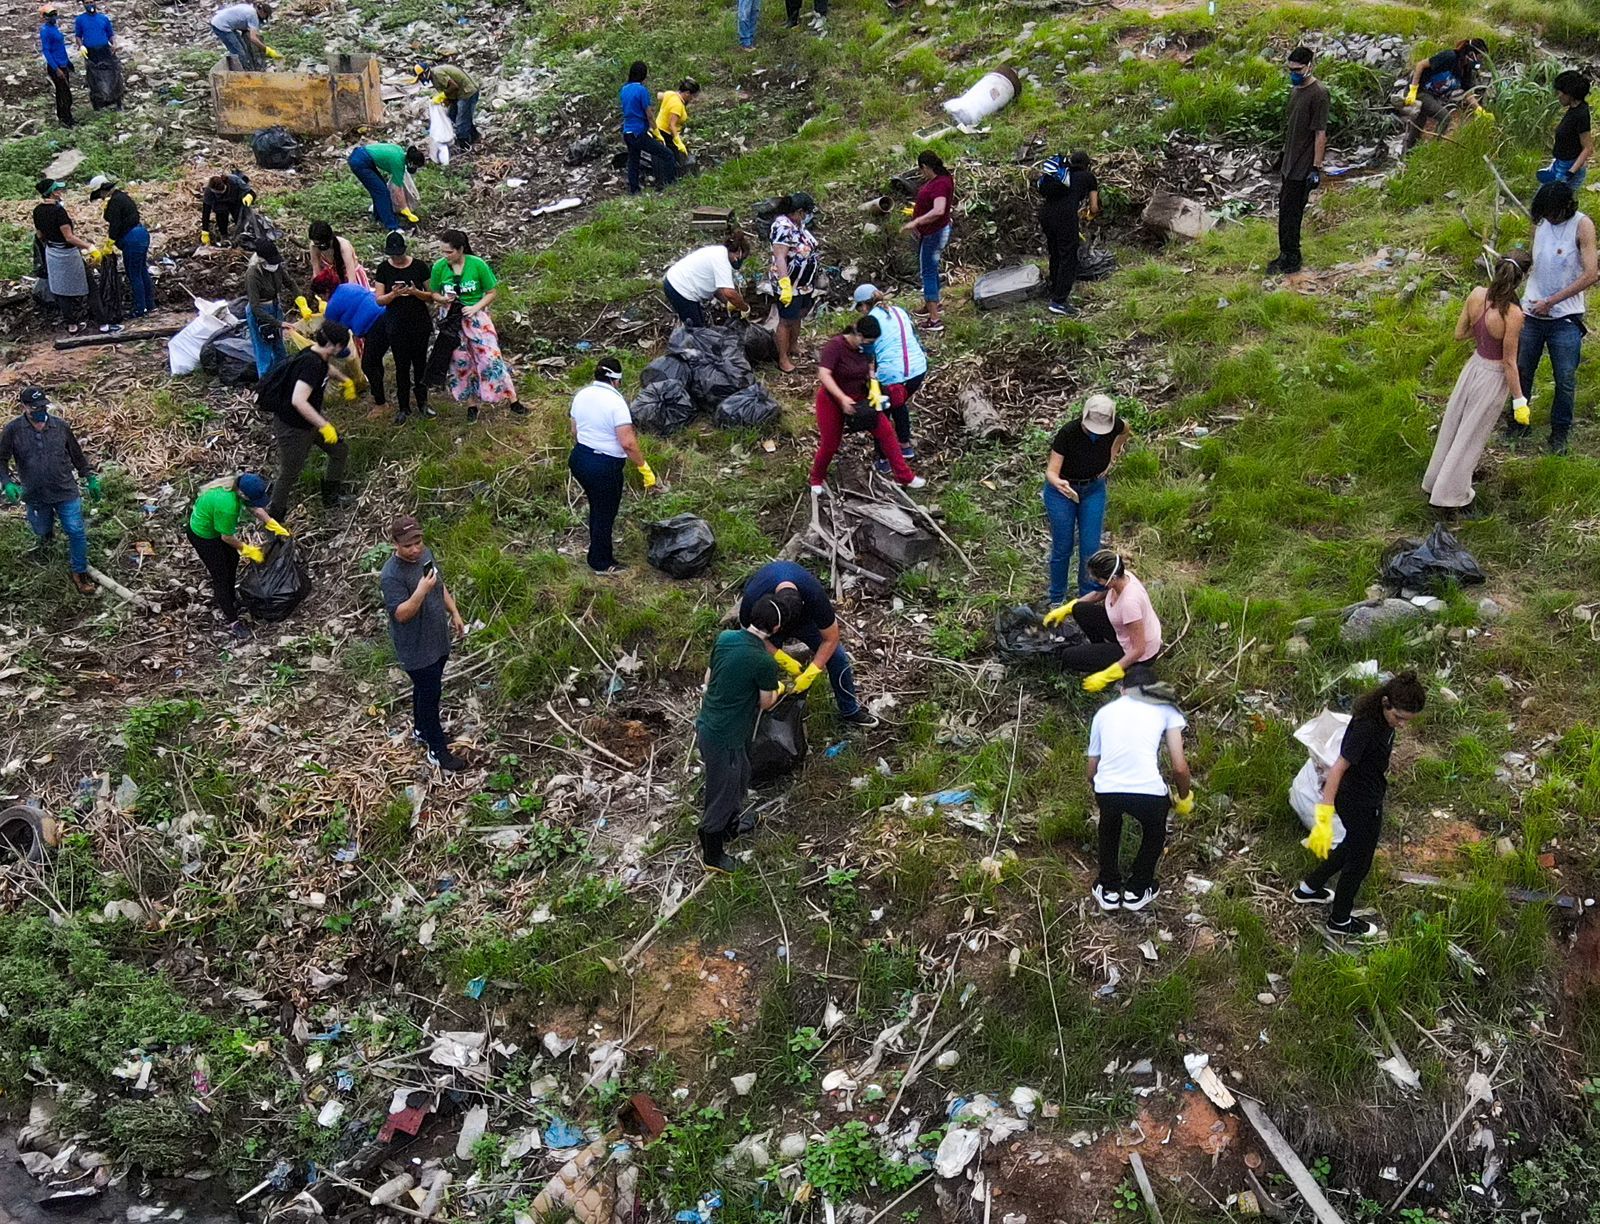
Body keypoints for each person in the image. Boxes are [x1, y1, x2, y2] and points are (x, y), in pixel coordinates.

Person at [1293, 671, 1427, 939]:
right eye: (1398, 717)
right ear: (1386, 702)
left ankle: (1308, 889)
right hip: (1360, 802)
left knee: (1350, 845)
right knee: (1360, 862)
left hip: (1364, 793)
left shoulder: (1382, 718)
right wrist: (1324, 815)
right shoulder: (1368, 726)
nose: (1401, 724)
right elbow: (1338, 768)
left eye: (1406, 720)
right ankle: (1340, 919)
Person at [1423, 252, 1528, 512]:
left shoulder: (1476, 294)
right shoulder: (1513, 314)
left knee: (1453, 424)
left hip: (1473, 367)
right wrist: (1519, 400)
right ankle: (1451, 495)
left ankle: (1434, 480)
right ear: (1520, 280)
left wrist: (1482, 333)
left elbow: (1459, 334)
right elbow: (1508, 362)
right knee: (1471, 435)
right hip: (1491, 378)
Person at [1085, 664, 1194, 912]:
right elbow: (1179, 767)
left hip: (1108, 789)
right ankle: (1138, 888)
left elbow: (1092, 766)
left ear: (1123, 690)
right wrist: (1184, 796)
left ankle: (1109, 887)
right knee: (1154, 831)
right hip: (1148, 792)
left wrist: (1099, 788)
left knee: (1109, 826)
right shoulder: (1166, 709)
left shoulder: (1104, 712)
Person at [695, 597, 787, 872]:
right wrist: (778, 687)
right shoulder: (763, 660)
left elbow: (709, 680)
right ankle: (712, 850)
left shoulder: (725, 638)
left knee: (742, 773)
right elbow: (766, 702)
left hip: (710, 724)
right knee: (722, 791)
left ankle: (731, 825)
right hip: (726, 736)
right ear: (777, 627)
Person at [739, 559, 880, 728]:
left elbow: (832, 637)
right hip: (768, 622)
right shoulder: (754, 597)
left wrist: (812, 671)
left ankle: (850, 711)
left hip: (804, 621)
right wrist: (780, 657)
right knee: (759, 661)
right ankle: (762, 707)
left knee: (838, 658)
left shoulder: (814, 595)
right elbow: (750, 637)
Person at [1513, 182, 1595, 454]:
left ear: (1564, 208)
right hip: (1532, 311)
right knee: (1522, 371)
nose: (1548, 219)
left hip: (1564, 317)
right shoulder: (1541, 223)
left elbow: (1591, 274)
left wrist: (1553, 301)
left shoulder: (1582, 226)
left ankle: (1559, 433)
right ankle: (1518, 423)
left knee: (1565, 377)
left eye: (1551, 214)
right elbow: (1535, 260)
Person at [382, 514, 469, 772]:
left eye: (418, 541)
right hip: (415, 647)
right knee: (431, 695)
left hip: (437, 638)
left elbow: (439, 585)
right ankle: (437, 751)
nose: (415, 548)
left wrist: (454, 612)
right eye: (408, 545)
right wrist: (420, 590)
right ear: (395, 543)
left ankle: (422, 730)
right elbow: (401, 614)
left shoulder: (425, 555)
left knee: (425, 690)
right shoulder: (391, 575)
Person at [1, 387, 99, 596]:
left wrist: (89, 476)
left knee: (75, 530)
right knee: (41, 529)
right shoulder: (13, 430)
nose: (41, 411)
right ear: (24, 407)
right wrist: (7, 482)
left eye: (44, 407)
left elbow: (77, 455)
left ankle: (79, 572)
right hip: (35, 494)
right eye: (35, 408)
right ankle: (47, 537)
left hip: (64, 489)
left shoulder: (60, 427)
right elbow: (1, 459)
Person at [808, 318, 924, 491]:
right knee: (830, 443)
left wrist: (874, 384)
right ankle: (816, 478)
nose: (871, 346)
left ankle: (904, 476)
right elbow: (824, 374)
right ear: (859, 335)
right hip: (832, 400)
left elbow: (869, 369)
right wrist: (841, 398)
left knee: (887, 433)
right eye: (869, 342)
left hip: (861, 399)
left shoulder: (865, 350)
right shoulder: (836, 346)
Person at [568, 357, 658, 574]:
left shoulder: (582, 395)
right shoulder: (616, 403)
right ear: (616, 380)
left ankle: (598, 551)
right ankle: (601, 562)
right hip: (603, 466)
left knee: (597, 507)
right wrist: (644, 468)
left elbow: (574, 431)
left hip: (579, 458)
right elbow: (627, 443)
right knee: (604, 513)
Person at [428, 230, 527, 423]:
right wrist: (443, 299)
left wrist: (475, 307)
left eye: (449, 252)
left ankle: (511, 398)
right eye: (443, 252)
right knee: (461, 362)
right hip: (452, 319)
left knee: (491, 359)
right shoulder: (439, 268)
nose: (445, 256)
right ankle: (471, 404)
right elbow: (434, 293)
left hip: (475, 317)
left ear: (460, 250)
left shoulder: (477, 265)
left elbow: (491, 292)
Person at [1044, 394, 1130, 606]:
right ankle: (1057, 597)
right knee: (1063, 546)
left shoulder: (1115, 426)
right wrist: (1059, 483)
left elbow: (1124, 431)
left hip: (1093, 489)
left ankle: (1087, 597)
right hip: (1063, 491)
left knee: (1091, 547)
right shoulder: (1068, 433)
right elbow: (1051, 472)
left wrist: (1112, 455)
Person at [265, 321, 351, 523]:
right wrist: (324, 425)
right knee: (290, 472)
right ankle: (274, 518)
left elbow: (325, 368)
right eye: (342, 346)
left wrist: (344, 380)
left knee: (340, 450)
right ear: (335, 346)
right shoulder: (310, 365)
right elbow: (298, 401)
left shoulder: (315, 354)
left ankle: (331, 498)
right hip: (293, 427)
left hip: (310, 421)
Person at [1043, 549, 1162, 692]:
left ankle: (1121, 667)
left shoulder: (1130, 603)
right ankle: (1101, 652)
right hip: (1124, 633)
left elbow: (1138, 649)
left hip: (1139, 654)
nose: (1095, 582)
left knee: (1069, 656)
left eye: (1098, 579)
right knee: (1080, 609)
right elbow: (1098, 594)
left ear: (1112, 579)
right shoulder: (1123, 577)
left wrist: (1108, 675)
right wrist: (1068, 608)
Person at [187, 472, 287, 637]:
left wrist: (272, 523)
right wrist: (248, 550)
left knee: (232, 559)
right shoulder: (228, 505)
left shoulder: (235, 487)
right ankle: (232, 620)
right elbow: (226, 537)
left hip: (214, 530)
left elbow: (255, 508)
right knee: (221, 575)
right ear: (242, 494)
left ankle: (231, 597)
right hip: (203, 536)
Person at [851, 284, 927, 468]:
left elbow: (867, 354)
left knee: (880, 414)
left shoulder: (870, 320)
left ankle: (883, 458)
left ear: (863, 306)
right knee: (898, 403)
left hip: (891, 375)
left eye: (858, 307)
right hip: (917, 371)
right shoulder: (899, 311)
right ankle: (905, 446)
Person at [1267, 46, 1327, 277]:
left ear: (1310, 66)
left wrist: (1315, 167)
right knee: (1284, 211)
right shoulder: (1296, 90)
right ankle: (1285, 253)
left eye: (1297, 69)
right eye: (1290, 69)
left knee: (1292, 213)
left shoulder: (1318, 93)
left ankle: (1292, 258)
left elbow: (1320, 133)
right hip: (1289, 162)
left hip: (1302, 166)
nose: (1293, 73)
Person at [370, 233, 434, 423]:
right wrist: (394, 294)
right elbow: (379, 300)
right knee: (402, 367)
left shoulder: (419, 266)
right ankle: (403, 406)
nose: (397, 259)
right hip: (396, 325)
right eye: (393, 255)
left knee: (421, 365)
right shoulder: (383, 269)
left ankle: (423, 402)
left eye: (399, 255)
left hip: (419, 323)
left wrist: (415, 292)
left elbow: (431, 295)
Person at [1036, 151, 1098, 315]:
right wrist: (1088, 215)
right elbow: (1094, 207)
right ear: (1087, 164)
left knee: (1055, 252)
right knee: (1068, 256)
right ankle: (1059, 302)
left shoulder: (1063, 174)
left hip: (1046, 214)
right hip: (1065, 216)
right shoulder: (1088, 177)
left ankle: (1054, 289)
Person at [1402, 38, 1489, 151]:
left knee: (1418, 126)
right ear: (1472, 54)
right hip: (1419, 91)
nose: (1480, 61)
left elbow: (1468, 93)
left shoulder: (1465, 70)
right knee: (1445, 117)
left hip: (1431, 96)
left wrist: (1479, 110)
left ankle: (1407, 155)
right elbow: (1420, 65)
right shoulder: (1450, 57)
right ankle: (1433, 149)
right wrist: (1413, 90)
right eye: (1480, 57)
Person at [33, 180, 94, 335]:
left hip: (52, 252)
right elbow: (69, 237)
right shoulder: (59, 212)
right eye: (58, 190)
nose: (61, 192)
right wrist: (88, 247)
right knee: (82, 284)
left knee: (60, 288)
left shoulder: (37, 211)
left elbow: (40, 234)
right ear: (53, 192)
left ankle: (70, 323)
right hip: (67, 253)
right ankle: (83, 317)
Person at [902, 151, 954, 332]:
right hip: (933, 232)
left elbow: (939, 210)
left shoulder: (939, 184)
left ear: (924, 167)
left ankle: (934, 319)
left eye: (921, 169)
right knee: (930, 270)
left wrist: (916, 221)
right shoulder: (943, 178)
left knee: (928, 273)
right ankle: (932, 304)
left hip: (934, 234)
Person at [88, 175, 153, 319]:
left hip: (132, 239)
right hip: (141, 234)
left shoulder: (115, 202)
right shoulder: (122, 197)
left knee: (134, 274)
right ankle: (149, 304)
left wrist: (110, 243)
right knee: (141, 270)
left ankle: (140, 308)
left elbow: (115, 225)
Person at [769, 192, 819, 373]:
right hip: (789, 283)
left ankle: (793, 345)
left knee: (799, 314)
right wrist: (785, 285)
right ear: (798, 211)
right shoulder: (782, 226)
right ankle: (782, 358)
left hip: (803, 283)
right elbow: (780, 256)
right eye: (805, 212)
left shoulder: (799, 224)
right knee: (786, 319)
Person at [663, 232, 751, 327]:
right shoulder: (722, 260)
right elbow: (729, 292)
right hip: (680, 289)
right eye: (742, 257)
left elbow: (715, 286)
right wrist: (744, 308)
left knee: (698, 324)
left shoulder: (719, 252)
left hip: (676, 282)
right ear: (738, 252)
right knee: (696, 330)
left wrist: (727, 302)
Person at [620, 61, 676, 195]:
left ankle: (634, 190)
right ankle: (670, 186)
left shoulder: (624, 89)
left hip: (627, 132)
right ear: (643, 75)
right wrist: (656, 132)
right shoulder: (641, 90)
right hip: (639, 132)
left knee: (633, 160)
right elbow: (649, 114)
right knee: (667, 155)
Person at [242, 239, 295, 377]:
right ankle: (265, 385)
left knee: (279, 348)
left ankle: (282, 379)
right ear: (262, 261)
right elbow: (255, 307)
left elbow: (290, 283)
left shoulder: (276, 268)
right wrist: (279, 323)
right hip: (260, 314)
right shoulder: (253, 275)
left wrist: (301, 300)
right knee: (263, 350)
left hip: (275, 308)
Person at [347, 142, 424, 234]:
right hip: (360, 162)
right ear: (411, 163)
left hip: (362, 155)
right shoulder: (398, 163)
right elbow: (397, 190)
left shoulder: (399, 151)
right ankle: (392, 227)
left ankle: (378, 216)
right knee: (382, 193)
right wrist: (405, 209)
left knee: (380, 189)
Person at [1542, 71, 1593, 191]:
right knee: (1542, 200)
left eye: (1560, 93)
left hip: (1568, 168)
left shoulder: (1581, 115)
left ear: (1569, 94)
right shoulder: (1573, 109)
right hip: (1559, 163)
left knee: (1554, 204)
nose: (1558, 96)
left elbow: (1588, 148)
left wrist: (1570, 173)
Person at [418, 62, 481, 149]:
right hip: (458, 94)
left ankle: (464, 145)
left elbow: (454, 86)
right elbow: (447, 89)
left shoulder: (437, 73)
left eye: (421, 76)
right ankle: (474, 136)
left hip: (467, 92)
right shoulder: (433, 78)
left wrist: (442, 96)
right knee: (452, 115)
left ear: (425, 73)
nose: (421, 79)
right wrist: (446, 100)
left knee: (461, 121)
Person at [210, 0, 276, 71]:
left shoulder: (250, 9)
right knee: (239, 52)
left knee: (244, 48)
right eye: (266, 15)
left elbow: (238, 20)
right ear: (263, 12)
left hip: (224, 23)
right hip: (221, 26)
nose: (265, 17)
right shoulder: (253, 16)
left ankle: (248, 69)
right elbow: (253, 38)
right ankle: (245, 74)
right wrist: (266, 49)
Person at [308, 220, 368, 297]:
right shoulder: (314, 246)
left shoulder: (343, 246)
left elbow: (352, 279)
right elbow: (316, 271)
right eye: (317, 244)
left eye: (323, 243)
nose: (321, 246)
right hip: (333, 280)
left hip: (352, 279)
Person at [655, 78, 700, 176]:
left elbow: (659, 95)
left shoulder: (671, 94)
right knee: (673, 157)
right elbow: (672, 125)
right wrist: (677, 141)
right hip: (665, 133)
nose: (693, 99)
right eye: (693, 96)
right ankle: (671, 179)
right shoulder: (677, 105)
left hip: (657, 129)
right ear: (687, 93)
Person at [38, 6, 74, 127]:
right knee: (64, 94)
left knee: (64, 92)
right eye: (50, 15)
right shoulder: (45, 31)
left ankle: (67, 117)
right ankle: (65, 119)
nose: (53, 17)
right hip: (56, 67)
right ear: (44, 17)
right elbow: (47, 51)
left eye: (54, 14)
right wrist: (56, 68)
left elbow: (60, 48)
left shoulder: (55, 28)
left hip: (62, 63)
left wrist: (68, 62)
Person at [200, 172, 251, 245]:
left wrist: (249, 197)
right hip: (220, 205)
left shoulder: (234, 180)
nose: (220, 194)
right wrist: (205, 231)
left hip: (235, 200)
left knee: (239, 216)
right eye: (218, 193)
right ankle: (224, 235)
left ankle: (241, 234)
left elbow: (250, 191)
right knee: (221, 215)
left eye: (222, 192)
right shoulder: (209, 192)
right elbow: (206, 211)